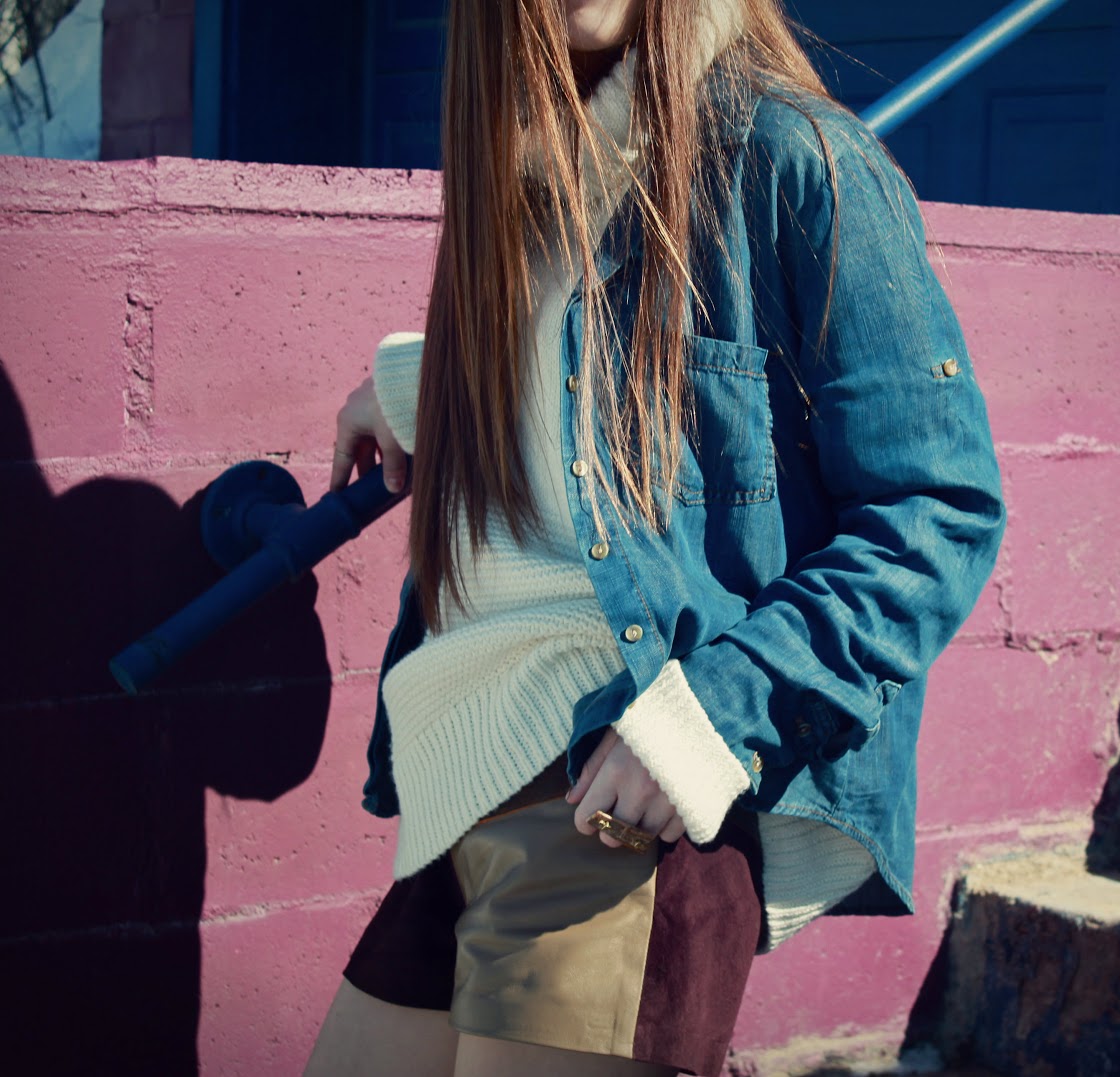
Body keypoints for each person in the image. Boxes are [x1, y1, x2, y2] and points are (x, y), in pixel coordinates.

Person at [309, 0, 1004, 1073]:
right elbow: (592, 387)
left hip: (622, 795)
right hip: (470, 774)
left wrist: (705, 722)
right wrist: (424, 387)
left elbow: (936, 511)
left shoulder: (794, 157)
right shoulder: (527, 172)